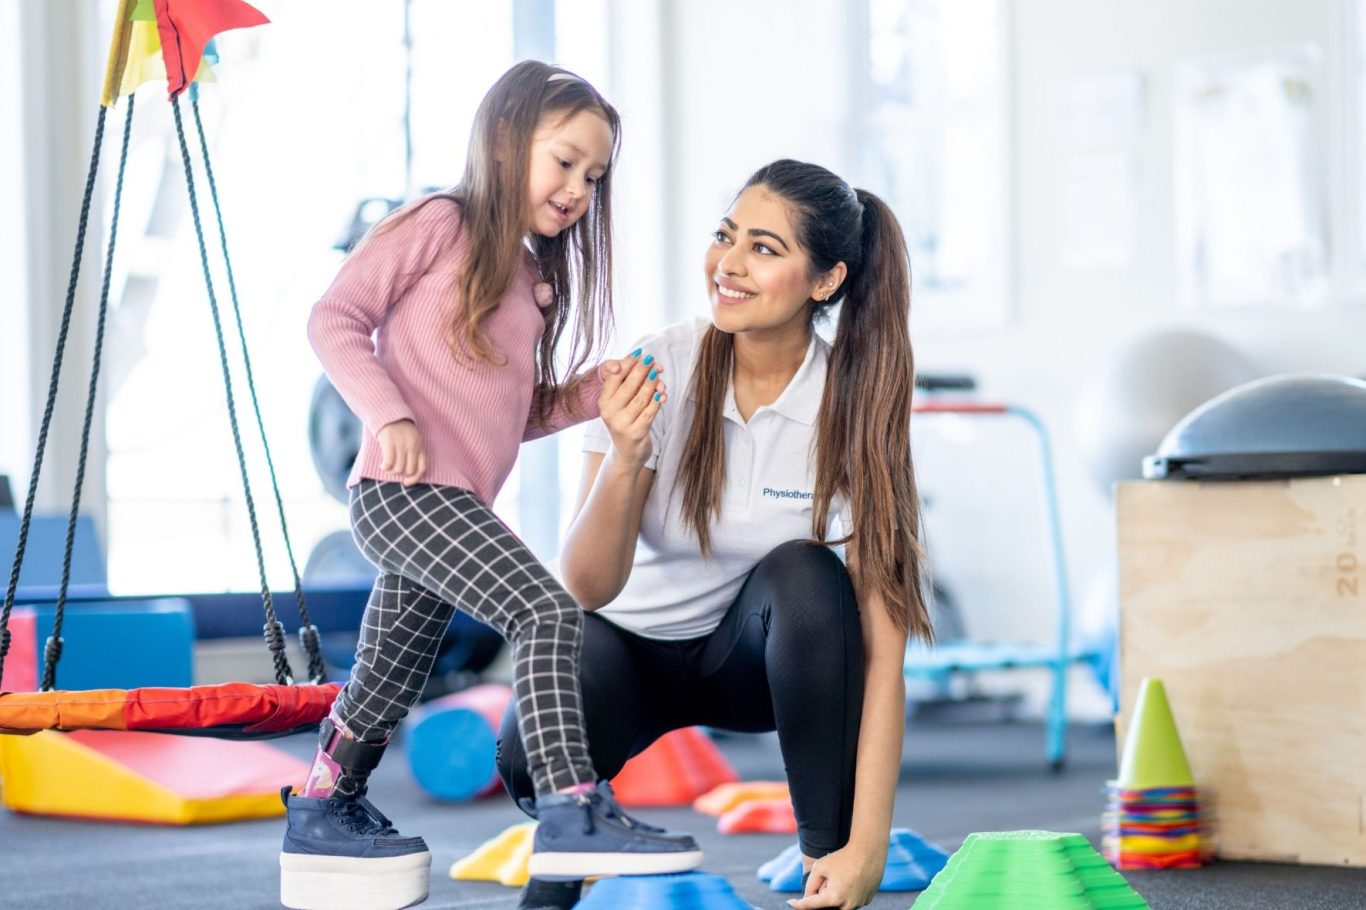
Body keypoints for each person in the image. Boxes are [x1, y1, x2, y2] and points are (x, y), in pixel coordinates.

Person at [280, 61, 701, 910]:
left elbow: (512, 413)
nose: (578, 189)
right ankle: (572, 809)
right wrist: (390, 415)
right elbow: (334, 318)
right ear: (506, 143)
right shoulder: (441, 222)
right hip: (404, 493)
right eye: (565, 161)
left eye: (594, 176)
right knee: (547, 612)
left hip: (452, 504)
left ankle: (324, 802)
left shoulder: (528, 278)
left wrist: (589, 393)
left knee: (388, 674)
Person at [498, 158, 933, 910]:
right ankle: (567, 861)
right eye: (726, 236)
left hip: (757, 665)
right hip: (627, 651)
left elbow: (883, 653)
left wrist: (865, 848)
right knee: (524, 750)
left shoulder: (853, 404)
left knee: (808, 575)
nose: (728, 264)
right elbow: (586, 587)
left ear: (825, 280)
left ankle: (823, 870)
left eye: (764, 249)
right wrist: (627, 457)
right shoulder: (658, 366)